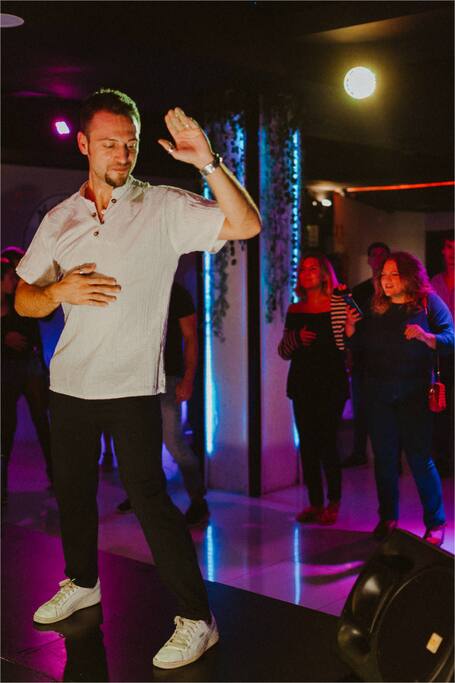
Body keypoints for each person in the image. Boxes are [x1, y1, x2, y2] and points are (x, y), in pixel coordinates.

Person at [14, 89, 261, 669]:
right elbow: (23, 298)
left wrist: (208, 163)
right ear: (83, 144)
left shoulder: (163, 206)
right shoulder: (60, 218)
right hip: (69, 383)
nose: (122, 154)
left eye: (129, 143)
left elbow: (246, 225)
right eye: (108, 144)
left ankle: (198, 619)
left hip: (132, 387)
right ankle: (82, 581)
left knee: (150, 501)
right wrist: (57, 290)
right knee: (73, 490)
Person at [345, 251, 454, 547]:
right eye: (384, 275)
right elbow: (360, 345)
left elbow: (450, 338)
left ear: (410, 276)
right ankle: (388, 518)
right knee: (384, 459)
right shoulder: (376, 306)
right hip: (378, 393)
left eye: (395, 274)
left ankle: (435, 522)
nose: (388, 281)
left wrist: (425, 336)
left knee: (419, 459)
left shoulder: (428, 302)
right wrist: (351, 329)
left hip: (414, 393)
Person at [117, 281, 209, 526]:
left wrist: (188, 379)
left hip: (167, 377)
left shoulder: (176, 292)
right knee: (139, 442)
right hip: (136, 378)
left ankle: (198, 500)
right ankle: (143, 496)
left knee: (173, 441)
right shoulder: (135, 288)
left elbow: (191, 338)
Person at [278, 251, 349, 525]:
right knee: (307, 445)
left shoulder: (336, 305)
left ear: (324, 275)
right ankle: (315, 503)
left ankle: (334, 501)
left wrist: (346, 298)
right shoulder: (295, 310)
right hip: (303, 383)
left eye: (312, 269)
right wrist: (297, 338)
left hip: (331, 382)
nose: (306, 274)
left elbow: (351, 336)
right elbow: (283, 351)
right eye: (303, 269)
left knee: (327, 442)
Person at [1, 257, 52, 500]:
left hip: (29, 365)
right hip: (9, 368)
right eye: (11, 276)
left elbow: (45, 315)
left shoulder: (19, 298)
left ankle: (56, 477)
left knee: (42, 423)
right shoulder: (9, 301)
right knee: (6, 428)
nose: (15, 279)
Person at [342, 241, 390, 468]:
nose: (378, 258)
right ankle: (359, 451)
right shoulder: (360, 291)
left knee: (387, 408)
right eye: (375, 255)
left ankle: (389, 455)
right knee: (361, 406)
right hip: (363, 356)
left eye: (383, 255)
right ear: (369, 260)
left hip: (386, 357)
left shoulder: (392, 289)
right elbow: (352, 324)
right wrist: (350, 354)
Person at [430, 235, 454, 477]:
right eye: (449, 247)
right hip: (443, 352)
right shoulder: (435, 282)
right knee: (442, 404)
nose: (453, 253)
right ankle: (444, 460)